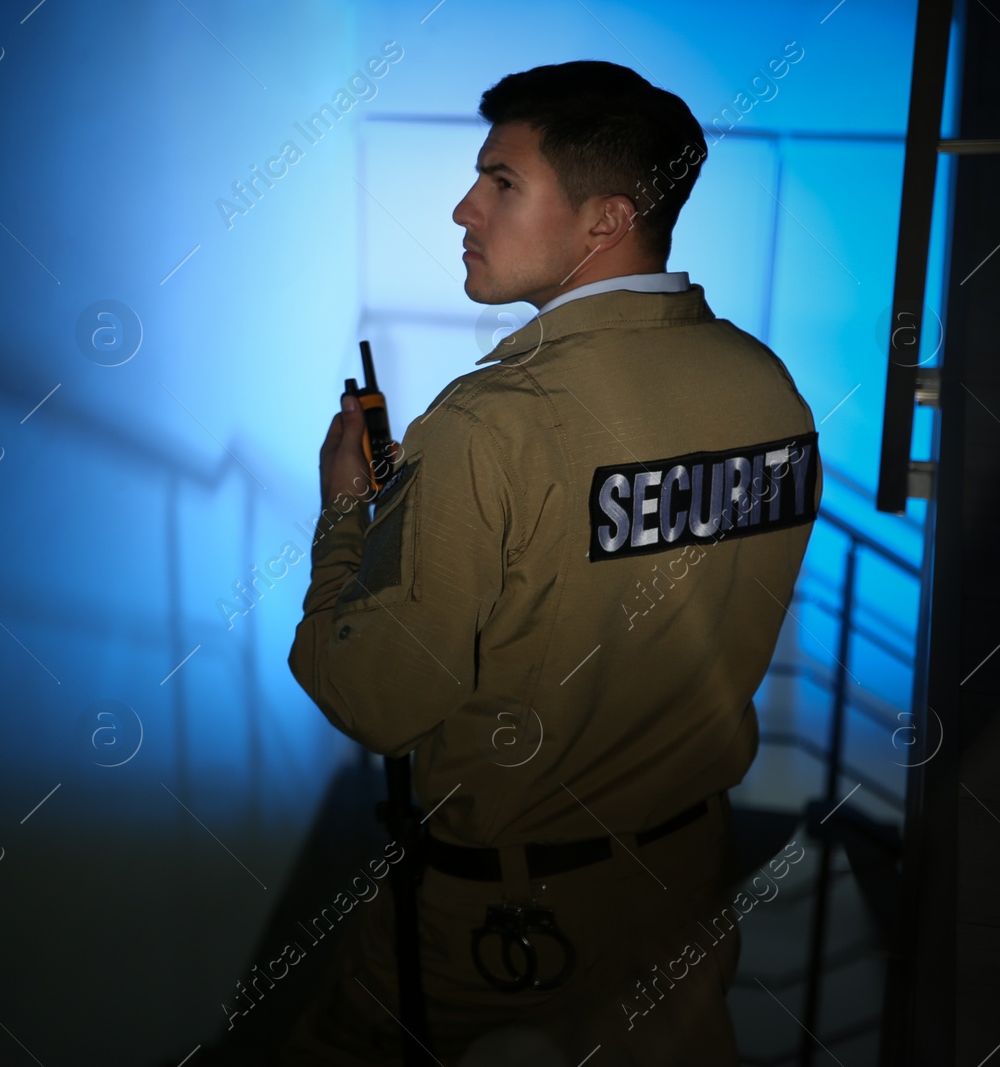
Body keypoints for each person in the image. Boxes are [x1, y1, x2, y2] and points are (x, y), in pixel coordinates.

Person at [282, 59, 822, 1066]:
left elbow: (376, 697)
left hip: (502, 915)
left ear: (603, 219)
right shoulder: (767, 388)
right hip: (684, 885)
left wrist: (348, 516)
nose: (462, 207)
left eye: (500, 182)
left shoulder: (487, 424)